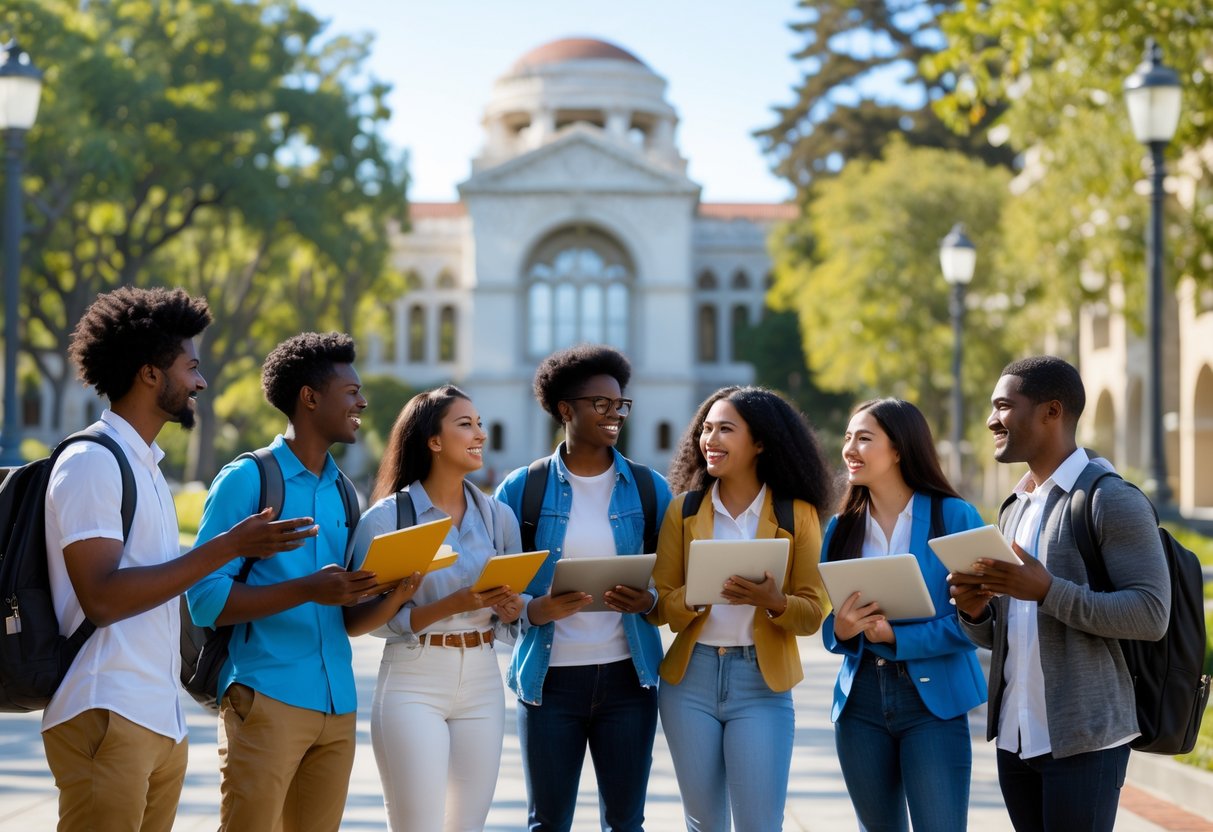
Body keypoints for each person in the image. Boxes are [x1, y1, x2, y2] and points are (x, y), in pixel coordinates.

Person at [42, 287, 317, 832]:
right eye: (190, 367)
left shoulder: (144, 465)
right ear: (150, 374)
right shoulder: (92, 463)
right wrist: (227, 547)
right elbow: (100, 597)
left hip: (156, 717)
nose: (200, 382)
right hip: (107, 707)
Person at [187, 332, 412, 832]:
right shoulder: (247, 479)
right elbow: (203, 600)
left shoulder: (344, 493)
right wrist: (308, 588)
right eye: (351, 391)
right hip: (266, 698)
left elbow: (345, 618)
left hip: (338, 706)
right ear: (310, 398)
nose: (363, 401)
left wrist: (397, 590)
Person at [949, 356, 1170, 832]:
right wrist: (975, 614)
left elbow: (1152, 614)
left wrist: (1048, 590)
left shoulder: (1111, 499)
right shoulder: (1015, 505)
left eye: (1004, 406)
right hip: (1016, 735)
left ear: (1052, 412)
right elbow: (1013, 630)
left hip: (1085, 739)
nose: (992, 420)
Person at [495, 345, 672, 832]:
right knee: (548, 823)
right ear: (565, 409)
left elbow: (672, 582)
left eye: (620, 404)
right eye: (601, 404)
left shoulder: (650, 487)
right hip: (549, 683)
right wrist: (537, 610)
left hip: (628, 680)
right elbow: (495, 589)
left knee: (626, 823)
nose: (615, 414)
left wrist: (650, 601)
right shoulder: (520, 489)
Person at [653, 385, 831, 832]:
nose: (710, 439)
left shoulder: (796, 515)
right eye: (706, 429)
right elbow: (660, 606)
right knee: (704, 824)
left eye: (725, 429)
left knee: (759, 824)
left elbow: (813, 612)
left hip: (761, 685)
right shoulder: (684, 511)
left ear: (760, 443)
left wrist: (775, 603)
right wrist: (694, 596)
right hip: (688, 682)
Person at [351, 385, 524, 832]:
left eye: (480, 424)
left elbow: (515, 615)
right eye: (465, 424)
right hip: (414, 679)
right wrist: (453, 603)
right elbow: (364, 620)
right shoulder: (387, 520)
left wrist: (510, 608)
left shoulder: (497, 517)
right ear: (433, 441)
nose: (480, 434)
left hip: (483, 680)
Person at [820, 398, 987, 832]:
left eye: (864, 438)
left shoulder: (954, 516)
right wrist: (840, 629)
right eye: (848, 438)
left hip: (932, 703)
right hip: (860, 704)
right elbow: (830, 622)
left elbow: (979, 621)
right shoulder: (842, 528)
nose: (850, 449)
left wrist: (899, 638)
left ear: (899, 449)